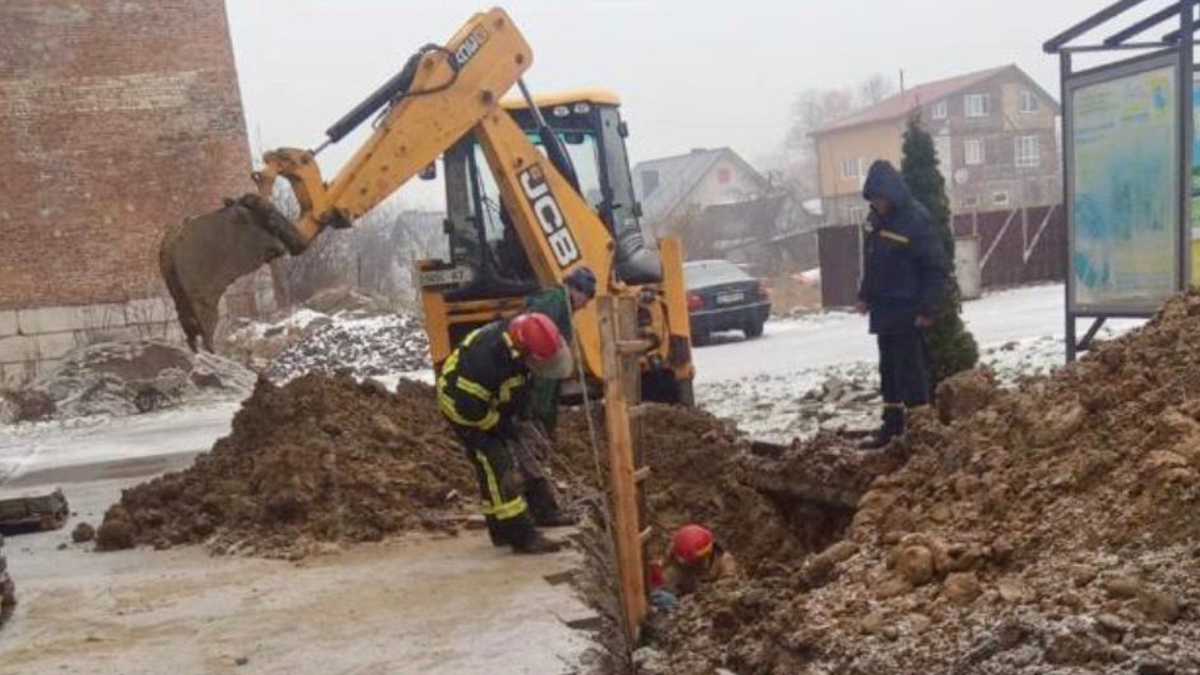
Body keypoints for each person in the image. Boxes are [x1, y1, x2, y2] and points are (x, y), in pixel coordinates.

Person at [437, 311, 574, 554]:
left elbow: (517, 383)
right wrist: (498, 425)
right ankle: (521, 536)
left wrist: (521, 415)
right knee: (496, 465)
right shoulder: (486, 359)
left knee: (524, 457)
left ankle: (532, 516)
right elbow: (467, 407)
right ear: (523, 350)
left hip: (490, 402)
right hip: (465, 409)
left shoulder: (519, 344)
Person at [856, 160, 948, 450]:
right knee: (889, 371)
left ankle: (920, 430)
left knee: (912, 370)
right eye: (873, 200)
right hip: (884, 309)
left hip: (908, 310)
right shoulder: (877, 220)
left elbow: (935, 267)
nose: (877, 204)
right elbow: (873, 261)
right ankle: (893, 426)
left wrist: (927, 309)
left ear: (891, 194)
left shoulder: (915, 219)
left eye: (880, 199)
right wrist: (865, 295)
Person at [523, 265, 598, 433]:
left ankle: (545, 435)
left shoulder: (562, 304)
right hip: (542, 365)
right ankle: (537, 434)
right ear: (577, 290)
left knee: (549, 403)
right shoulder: (554, 302)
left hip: (550, 365)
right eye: (586, 299)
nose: (585, 305)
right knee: (540, 403)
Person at [648, 524, 739, 607]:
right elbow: (665, 578)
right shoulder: (676, 560)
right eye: (689, 562)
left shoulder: (724, 562)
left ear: (708, 553)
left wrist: (705, 595)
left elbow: (730, 587)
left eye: (697, 561)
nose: (693, 565)